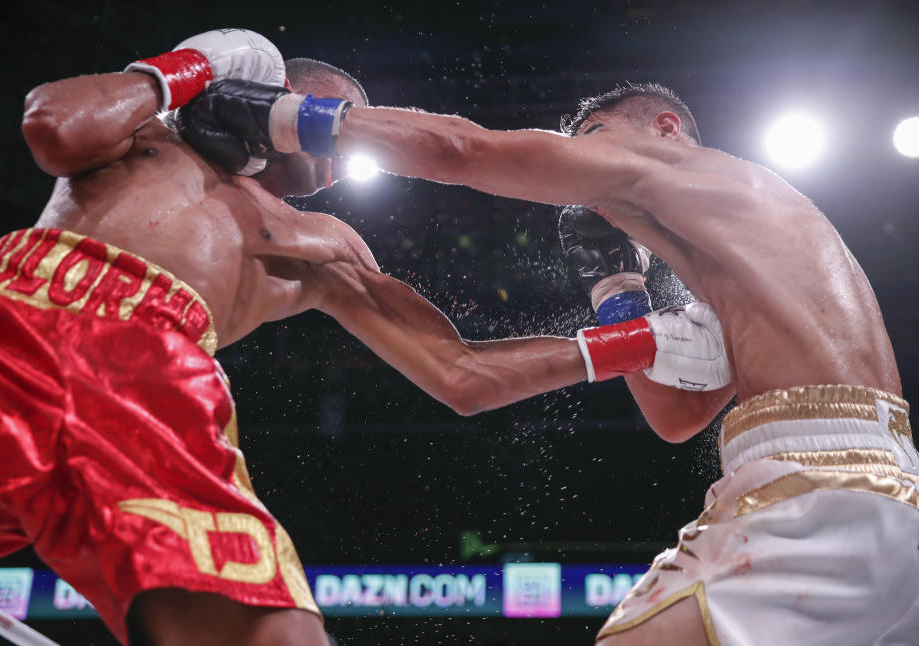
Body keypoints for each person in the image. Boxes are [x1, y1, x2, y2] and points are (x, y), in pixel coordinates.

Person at [0, 28, 730, 646]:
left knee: (275, 633)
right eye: (335, 114)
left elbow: (458, 374)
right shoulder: (144, 139)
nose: (342, 148)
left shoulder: (321, 244)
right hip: (4, 324)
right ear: (274, 90)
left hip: (149, 383)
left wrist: (642, 343)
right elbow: (52, 125)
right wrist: (192, 66)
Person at [203, 79, 919, 644]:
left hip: (810, 492)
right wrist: (618, 292)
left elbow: (464, 151)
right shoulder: (750, 269)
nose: (589, 179)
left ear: (662, 129)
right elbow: (675, 418)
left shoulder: (688, 167)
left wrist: (285, 114)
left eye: (596, 142)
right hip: (883, 489)